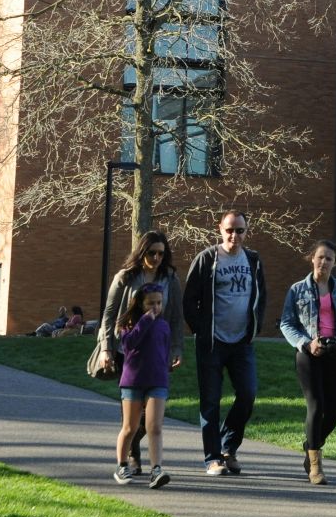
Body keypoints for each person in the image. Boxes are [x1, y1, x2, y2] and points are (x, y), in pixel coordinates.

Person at [183, 210, 267, 477]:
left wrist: (254, 328)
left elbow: (261, 296)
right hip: (212, 343)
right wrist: (201, 330)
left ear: (246, 231)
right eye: (230, 230)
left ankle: (229, 448)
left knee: (247, 394)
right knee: (210, 400)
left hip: (242, 342)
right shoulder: (207, 259)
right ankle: (213, 458)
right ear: (220, 229)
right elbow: (189, 300)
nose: (235, 236)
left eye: (240, 230)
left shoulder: (253, 260)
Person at [99, 232, 183, 477]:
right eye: (151, 253)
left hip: (157, 352)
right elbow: (110, 314)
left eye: (161, 253)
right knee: (131, 416)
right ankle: (131, 458)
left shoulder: (170, 278)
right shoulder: (125, 277)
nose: (156, 258)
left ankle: (150, 462)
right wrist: (106, 348)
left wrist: (176, 348)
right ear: (142, 252)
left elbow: (176, 316)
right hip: (129, 352)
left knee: (151, 416)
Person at [279, 239, 336, 485]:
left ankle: (310, 444)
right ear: (312, 258)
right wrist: (306, 343)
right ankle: (315, 467)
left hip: (335, 352)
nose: (324, 262)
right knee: (316, 406)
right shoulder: (297, 290)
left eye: (329, 259)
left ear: (335, 264)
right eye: (320, 257)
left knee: (334, 411)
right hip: (308, 353)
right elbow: (286, 323)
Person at [111, 282, 174, 489]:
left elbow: (164, 351)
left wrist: (167, 367)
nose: (155, 307)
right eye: (150, 303)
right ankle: (122, 465)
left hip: (157, 381)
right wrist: (145, 321)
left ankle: (156, 470)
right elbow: (128, 345)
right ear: (140, 304)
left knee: (154, 427)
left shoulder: (164, 325)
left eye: (159, 303)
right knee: (130, 427)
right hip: (133, 382)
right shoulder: (129, 324)